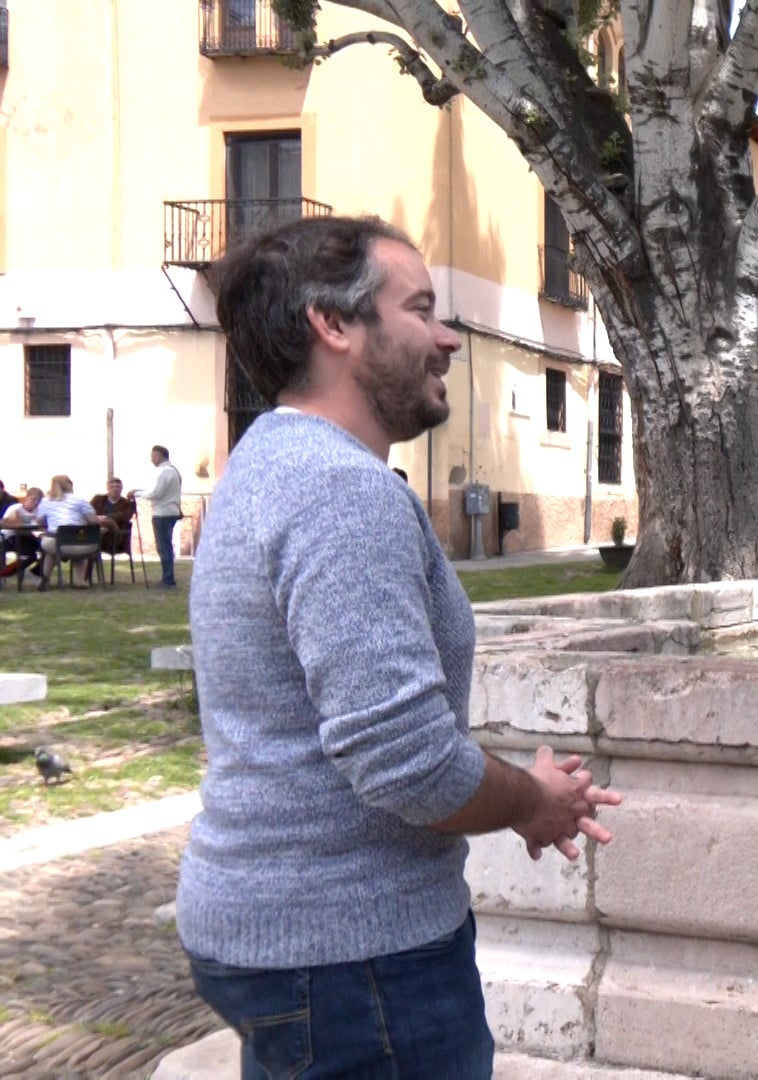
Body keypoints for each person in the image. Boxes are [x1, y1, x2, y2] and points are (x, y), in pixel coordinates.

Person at [178, 214, 621, 1077]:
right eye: (421, 309)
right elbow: (404, 760)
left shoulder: (267, 463)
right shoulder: (339, 493)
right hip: (353, 960)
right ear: (334, 324)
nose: (448, 337)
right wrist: (531, 800)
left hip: (297, 942)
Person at [36, 475, 112, 589]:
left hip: (56, 543)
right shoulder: (80, 500)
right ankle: (80, 580)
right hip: (82, 543)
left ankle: (45, 579)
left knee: (50, 547)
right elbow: (93, 520)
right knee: (80, 544)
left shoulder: (46, 502)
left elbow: (39, 521)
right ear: (69, 484)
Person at [146, 446, 183, 588]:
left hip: (162, 512)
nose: (151, 459)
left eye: (153, 456)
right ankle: (167, 577)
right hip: (171, 511)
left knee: (163, 546)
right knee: (165, 545)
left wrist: (137, 493)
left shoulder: (164, 472)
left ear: (160, 455)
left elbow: (156, 493)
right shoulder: (174, 471)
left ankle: (168, 579)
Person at [0, 487, 44, 580]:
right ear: (27, 498)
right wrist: (15, 520)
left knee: (44, 548)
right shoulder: (16, 508)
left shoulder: (39, 512)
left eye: (38, 501)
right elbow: (3, 523)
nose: (35, 503)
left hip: (26, 536)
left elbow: (41, 525)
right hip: (9, 537)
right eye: (33, 499)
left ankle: (37, 571)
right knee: (30, 554)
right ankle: (5, 572)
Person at [92, 477, 138, 558]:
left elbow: (124, 516)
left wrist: (105, 518)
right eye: (112, 487)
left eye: (117, 487)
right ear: (107, 487)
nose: (115, 489)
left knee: (107, 522)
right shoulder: (98, 499)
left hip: (116, 537)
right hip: (96, 533)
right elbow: (89, 513)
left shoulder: (127, 504)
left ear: (121, 488)